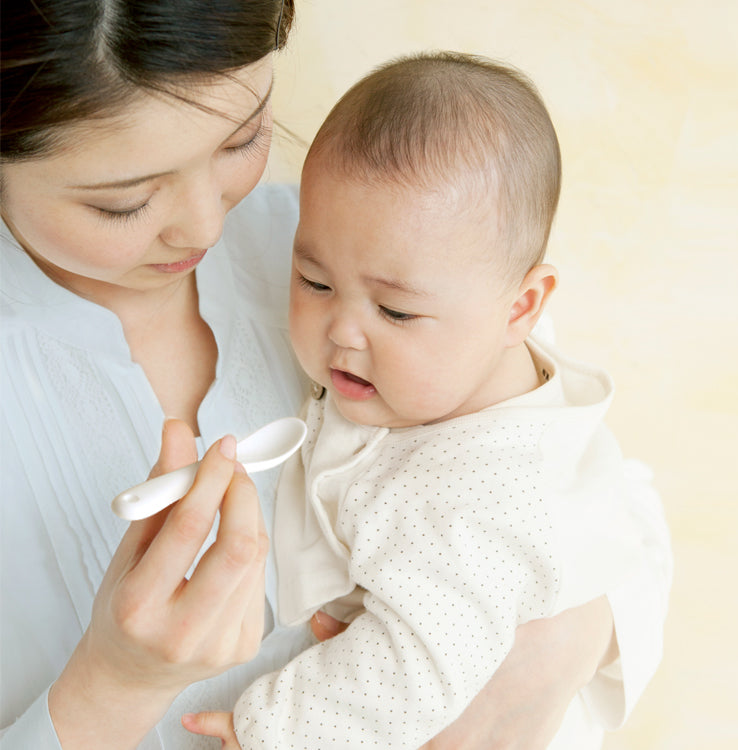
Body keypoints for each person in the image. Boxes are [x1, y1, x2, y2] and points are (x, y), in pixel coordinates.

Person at [0, 0, 671, 747]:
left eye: (245, 138)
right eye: (124, 203)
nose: (204, 226)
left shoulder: (371, 233)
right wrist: (111, 686)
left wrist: (546, 655)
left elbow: (594, 493)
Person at [183, 52, 671, 749]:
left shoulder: (485, 491)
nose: (342, 330)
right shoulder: (464, 342)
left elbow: (415, 666)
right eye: (314, 282)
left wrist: (273, 729)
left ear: (520, 309)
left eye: (397, 312)